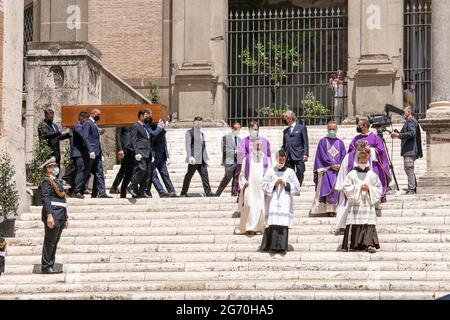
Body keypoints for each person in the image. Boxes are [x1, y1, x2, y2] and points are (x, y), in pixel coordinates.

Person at [340, 151, 382, 254]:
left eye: (365, 160)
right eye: (361, 160)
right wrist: (359, 187)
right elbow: (345, 187)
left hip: (367, 202)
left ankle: (370, 244)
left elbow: (378, 187)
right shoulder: (352, 174)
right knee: (356, 222)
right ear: (357, 160)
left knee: (369, 223)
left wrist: (369, 188)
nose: (363, 162)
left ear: (368, 160)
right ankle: (355, 244)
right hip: (356, 203)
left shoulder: (372, 174)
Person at [260, 150, 300, 253]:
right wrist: (274, 183)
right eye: (280, 159)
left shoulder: (290, 172)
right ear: (276, 159)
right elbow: (263, 184)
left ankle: (282, 247)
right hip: (273, 200)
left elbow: (297, 186)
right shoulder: (270, 171)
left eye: (283, 159)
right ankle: (272, 246)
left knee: (282, 222)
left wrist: (286, 184)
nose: (281, 161)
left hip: (285, 200)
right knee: (273, 222)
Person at [349, 118, 391, 203]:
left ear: (364, 126)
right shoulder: (356, 138)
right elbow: (350, 150)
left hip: (372, 164)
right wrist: (357, 150)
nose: (357, 127)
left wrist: (370, 150)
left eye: (359, 125)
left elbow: (381, 150)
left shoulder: (375, 137)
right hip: (358, 164)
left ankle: (375, 199)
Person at [310, 121, 346, 217]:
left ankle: (336, 210)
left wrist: (340, 165)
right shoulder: (322, 141)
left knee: (336, 189)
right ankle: (327, 209)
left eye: (333, 129)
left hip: (338, 170)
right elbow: (321, 155)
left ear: (337, 130)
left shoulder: (340, 142)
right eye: (330, 129)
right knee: (326, 187)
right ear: (327, 129)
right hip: (326, 170)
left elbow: (344, 155)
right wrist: (331, 165)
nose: (332, 131)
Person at [235, 141, 271, 235]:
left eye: (259, 146)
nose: (258, 147)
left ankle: (258, 228)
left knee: (260, 207)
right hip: (250, 186)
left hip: (261, 188)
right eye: (256, 146)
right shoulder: (247, 159)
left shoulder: (267, 159)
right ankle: (249, 227)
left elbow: (270, 174)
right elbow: (241, 174)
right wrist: (244, 182)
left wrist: (267, 184)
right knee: (249, 205)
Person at [40, 157, 69, 273]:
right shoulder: (47, 181)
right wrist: (49, 215)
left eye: (56, 166)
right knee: (50, 241)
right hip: (53, 215)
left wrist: (65, 218)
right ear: (48, 169)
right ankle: (46, 266)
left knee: (54, 242)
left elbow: (63, 200)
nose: (56, 168)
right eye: (54, 167)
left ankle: (51, 264)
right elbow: (46, 198)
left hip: (60, 215)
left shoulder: (56, 181)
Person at [129, 109, 165, 198]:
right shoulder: (136, 126)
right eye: (146, 115)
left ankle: (142, 191)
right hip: (140, 152)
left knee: (148, 173)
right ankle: (131, 186)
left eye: (148, 115)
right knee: (142, 169)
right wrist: (136, 152)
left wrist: (160, 127)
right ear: (141, 116)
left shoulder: (146, 126)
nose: (148, 117)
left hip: (148, 153)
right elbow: (133, 140)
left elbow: (152, 136)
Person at [79, 109, 111, 198]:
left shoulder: (94, 124)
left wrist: (100, 153)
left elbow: (96, 140)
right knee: (86, 172)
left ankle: (102, 192)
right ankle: (77, 190)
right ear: (93, 114)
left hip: (97, 153)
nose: (99, 116)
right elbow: (86, 138)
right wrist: (90, 150)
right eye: (98, 114)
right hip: (91, 153)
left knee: (100, 172)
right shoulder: (87, 123)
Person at [391, 106, 423, 195]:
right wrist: (398, 133)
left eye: (404, 112)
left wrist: (398, 135)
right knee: (408, 169)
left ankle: (412, 189)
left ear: (409, 112)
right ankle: (413, 186)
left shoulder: (411, 121)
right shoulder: (409, 121)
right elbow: (406, 133)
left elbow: (412, 133)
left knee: (409, 169)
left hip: (410, 149)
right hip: (408, 149)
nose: (403, 114)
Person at [180, 117, 215, 197]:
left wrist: (206, 158)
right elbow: (188, 145)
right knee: (189, 175)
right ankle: (183, 192)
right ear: (193, 123)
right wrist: (190, 156)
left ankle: (208, 192)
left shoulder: (201, 133)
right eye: (197, 123)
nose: (199, 124)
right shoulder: (189, 132)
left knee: (205, 175)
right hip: (194, 159)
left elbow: (203, 146)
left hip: (202, 159)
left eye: (200, 123)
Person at [148, 123, 176, 198]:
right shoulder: (152, 128)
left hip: (162, 156)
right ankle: (161, 192)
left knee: (165, 174)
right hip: (154, 156)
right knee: (153, 175)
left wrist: (167, 155)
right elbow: (151, 141)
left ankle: (171, 190)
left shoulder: (161, 129)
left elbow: (164, 143)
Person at [282, 111, 309, 187]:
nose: (284, 120)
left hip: (299, 154)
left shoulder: (301, 128)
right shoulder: (285, 131)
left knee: (300, 171)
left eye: (285, 119)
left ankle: (297, 186)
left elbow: (305, 142)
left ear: (290, 118)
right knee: (290, 173)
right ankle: (292, 187)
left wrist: (305, 154)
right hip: (288, 156)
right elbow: (284, 144)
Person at [215, 122, 242, 197]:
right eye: (235, 128)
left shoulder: (240, 139)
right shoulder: (225, 137)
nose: (237, 130)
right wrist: (234, 152)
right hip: (229, 161)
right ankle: (218, 193)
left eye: (239, 129)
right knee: (227, 177)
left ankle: (234, 193)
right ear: (232, 128)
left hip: (238, 161)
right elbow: (224, 150)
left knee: (236, 178)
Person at [68, 112, 90, 197]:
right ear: (82, 119)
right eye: (87, 120)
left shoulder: (81, 126)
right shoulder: (78, 126)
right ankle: (76, 191)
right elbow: (83, 135)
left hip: (82, 154)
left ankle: (77, 190)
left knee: (81, 172)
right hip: (78, 154)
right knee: (80, 172)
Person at [114, 126, 135, 199]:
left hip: (133, 149)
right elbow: (118, 135)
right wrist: (120, 149)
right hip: (125, 150)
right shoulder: (122, 121)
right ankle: (124, 191)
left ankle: (117, 189)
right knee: (127, 172)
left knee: (127, 171)